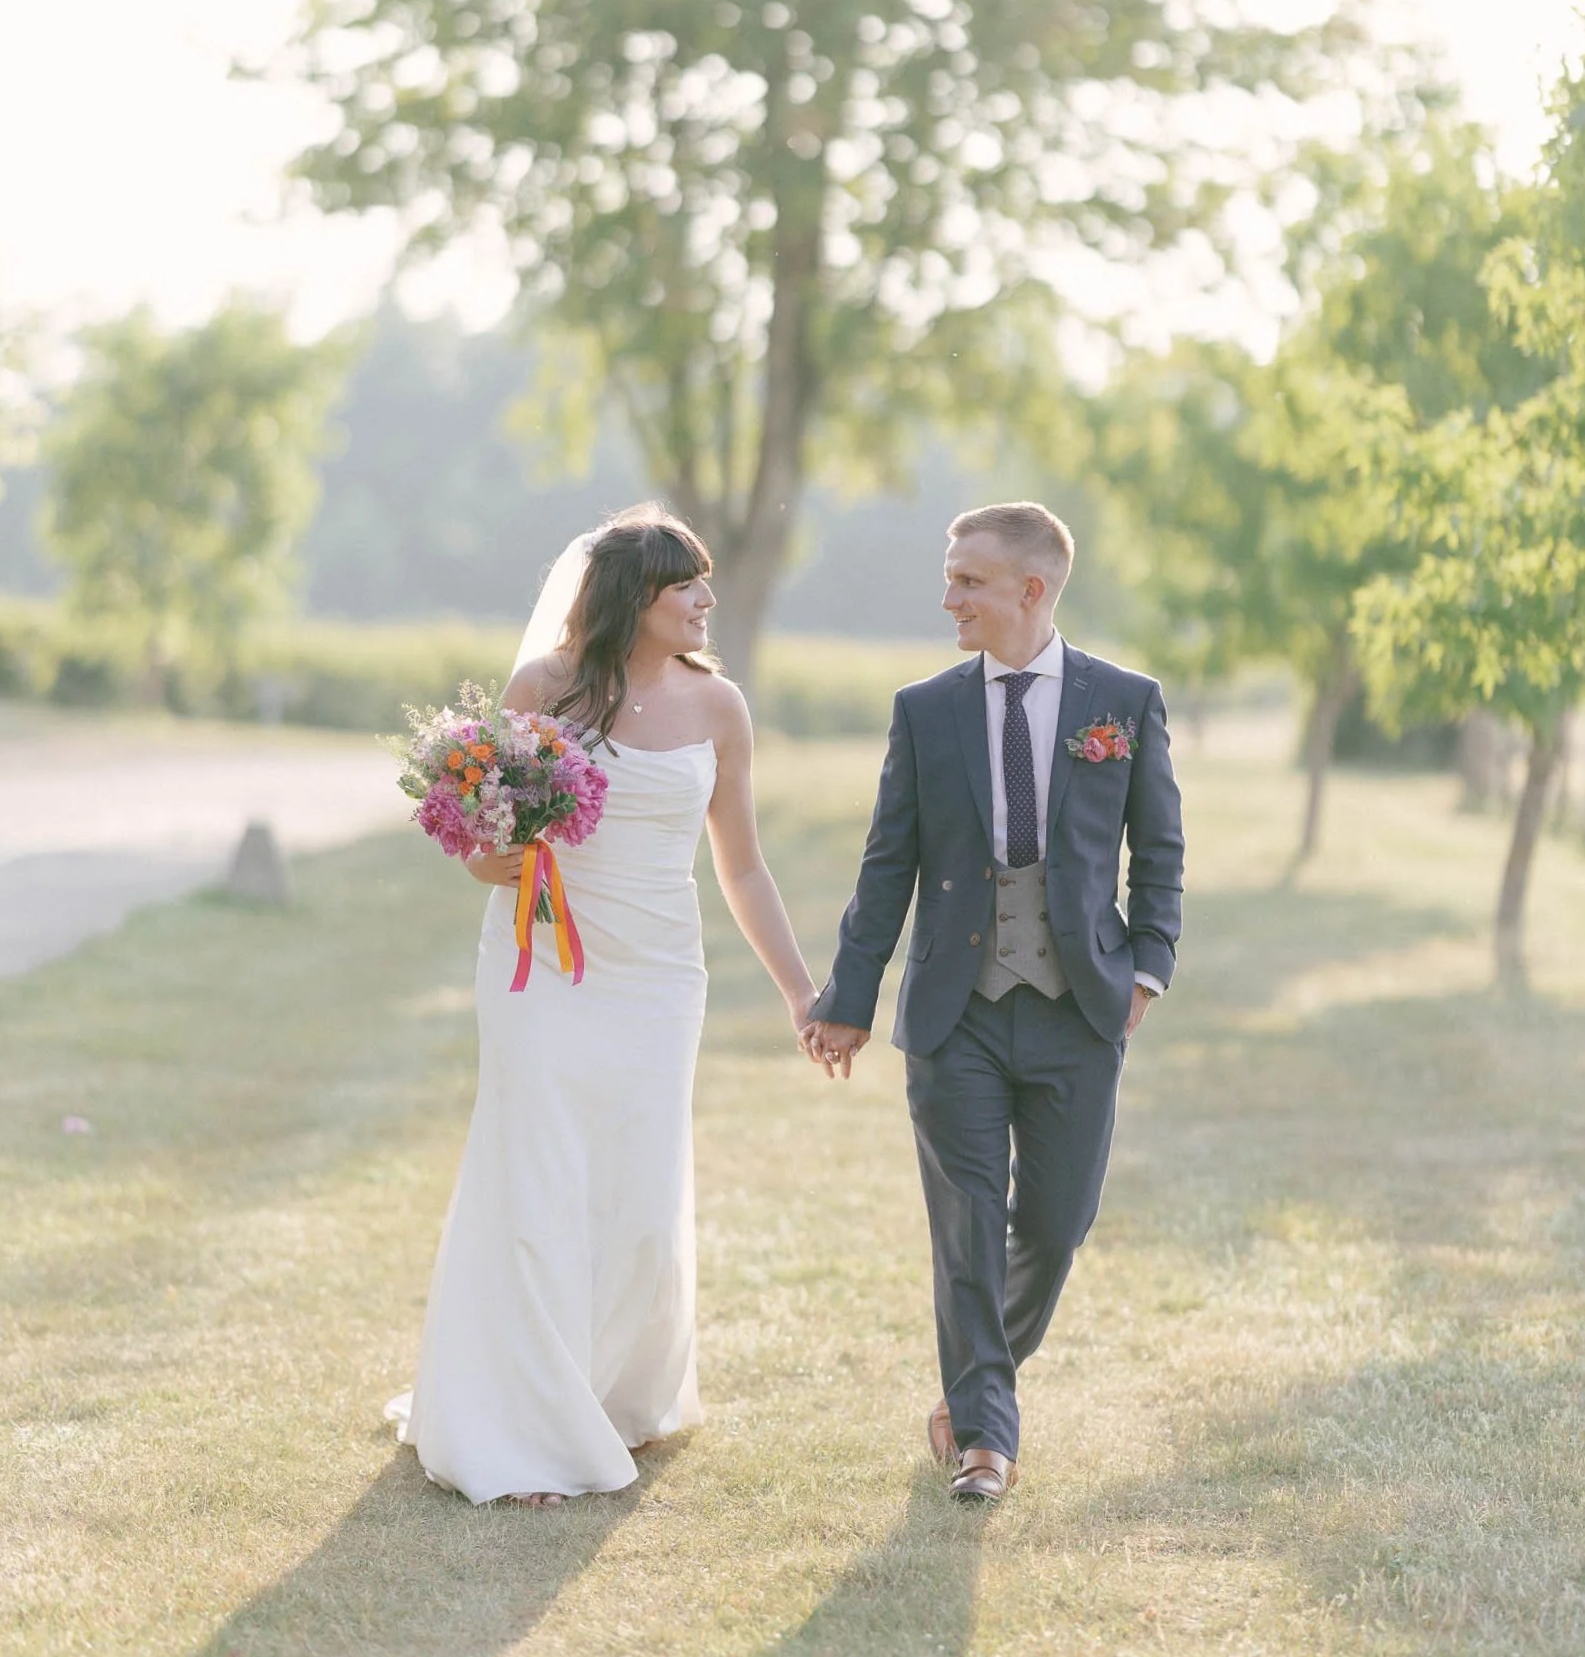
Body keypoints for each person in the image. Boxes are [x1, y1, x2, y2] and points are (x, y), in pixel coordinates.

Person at [389, 505, 820, 1506]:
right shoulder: (544, 687)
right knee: (535, 1172)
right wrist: (485, 861)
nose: (707, 600)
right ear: (635, 597)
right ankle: (525, 1422)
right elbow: (484, 834)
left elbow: (744, 866)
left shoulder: (721, 710)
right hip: (541, 965)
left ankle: (614, 1389)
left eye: (708, 583)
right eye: (688, 586)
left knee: (634, 1187)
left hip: (659, 978)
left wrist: (802, 986)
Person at [802, 502, 1184, 1503]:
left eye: (968, 580)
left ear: (1032, 588)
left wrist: (1147, 965)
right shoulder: (925, 710)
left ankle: (976, 1386)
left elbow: (1161, 850)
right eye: (949, 576)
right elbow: (887, 865)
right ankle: (983, 1437)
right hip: (953, 1010)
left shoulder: (1124, 701)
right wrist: (847, 993)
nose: (948, 598)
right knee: (967, 1221)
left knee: (1054, 1226)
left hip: (1081, 1007)